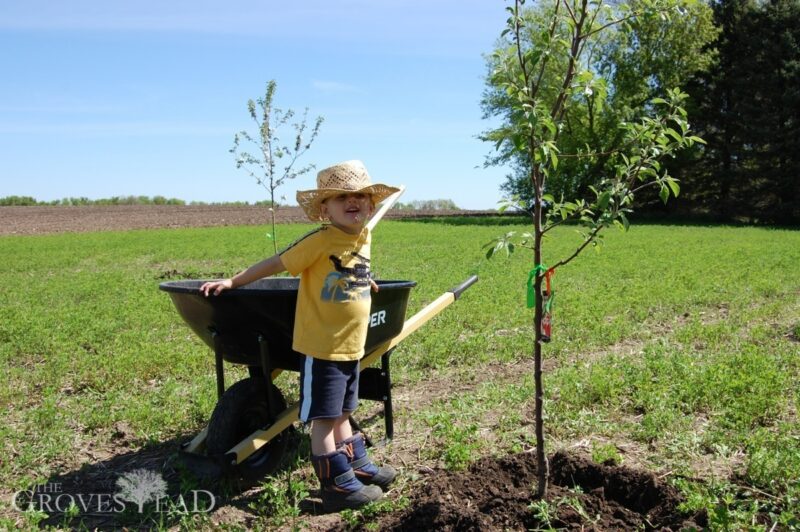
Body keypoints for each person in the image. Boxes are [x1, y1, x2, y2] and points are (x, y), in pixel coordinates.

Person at [200, 160, 399, 512]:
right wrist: (233, 282)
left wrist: (364, 278)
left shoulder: (362, 235)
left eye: (359, 196)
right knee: (324, 417)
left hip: (352, 345)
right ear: (325, 208)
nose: (352, 202)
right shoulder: (320, 240)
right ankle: (334, 486)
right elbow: (277, 263)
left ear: (370, 205)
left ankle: (356, 466)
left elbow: (349, 266)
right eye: (341, 197)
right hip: (324, 346)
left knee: (343, 411)